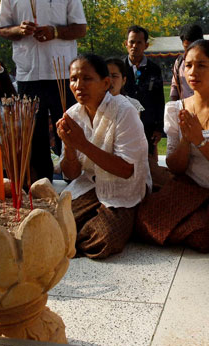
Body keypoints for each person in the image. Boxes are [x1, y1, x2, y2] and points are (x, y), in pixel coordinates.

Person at [135, 39, 209, 253]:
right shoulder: (175, 109)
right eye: (188, 65)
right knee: (144, 222)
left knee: (201, 235)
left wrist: (200, 141)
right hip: (187, 191)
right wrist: (186, 139)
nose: (193, 72)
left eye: (201, 65)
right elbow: (175, 167)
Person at [0, 0, 87, 182]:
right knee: (34, 135)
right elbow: (3, 29)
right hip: (28, 73)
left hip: (61, 73)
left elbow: (80, 28)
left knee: (67, 129)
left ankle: (75, 183)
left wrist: (55, 31)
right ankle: (42, 187)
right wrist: (19, 30)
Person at [57, 54, 151, 259]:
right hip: (89, 184)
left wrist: (82, 143)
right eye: (73, 79)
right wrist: (69, 146)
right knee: (54, 222)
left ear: (106, 83)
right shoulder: (72, 115)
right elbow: (72, 173)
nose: (78, 85)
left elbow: (127, 170)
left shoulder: (124, 111)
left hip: (122, 186)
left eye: (87, 78)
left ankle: (70, 239)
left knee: (104, 239)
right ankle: (68, 236)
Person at [122, 25, 165, 159]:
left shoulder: (154, 69)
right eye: (132, 42)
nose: (135, 46)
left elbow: (159, 99)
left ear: (146, 45)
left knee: (149, 161)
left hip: (148, 125)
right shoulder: (118, 68)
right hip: (123, 124)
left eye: (139, 42)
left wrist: (159, 128)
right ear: (126, 44)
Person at [170, 24, 203, 101]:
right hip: (185, 108)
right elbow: (175, 86)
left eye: (193, 47)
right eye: (186, 47)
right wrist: (174, 106)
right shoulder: (179, 62)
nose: (190, 52)